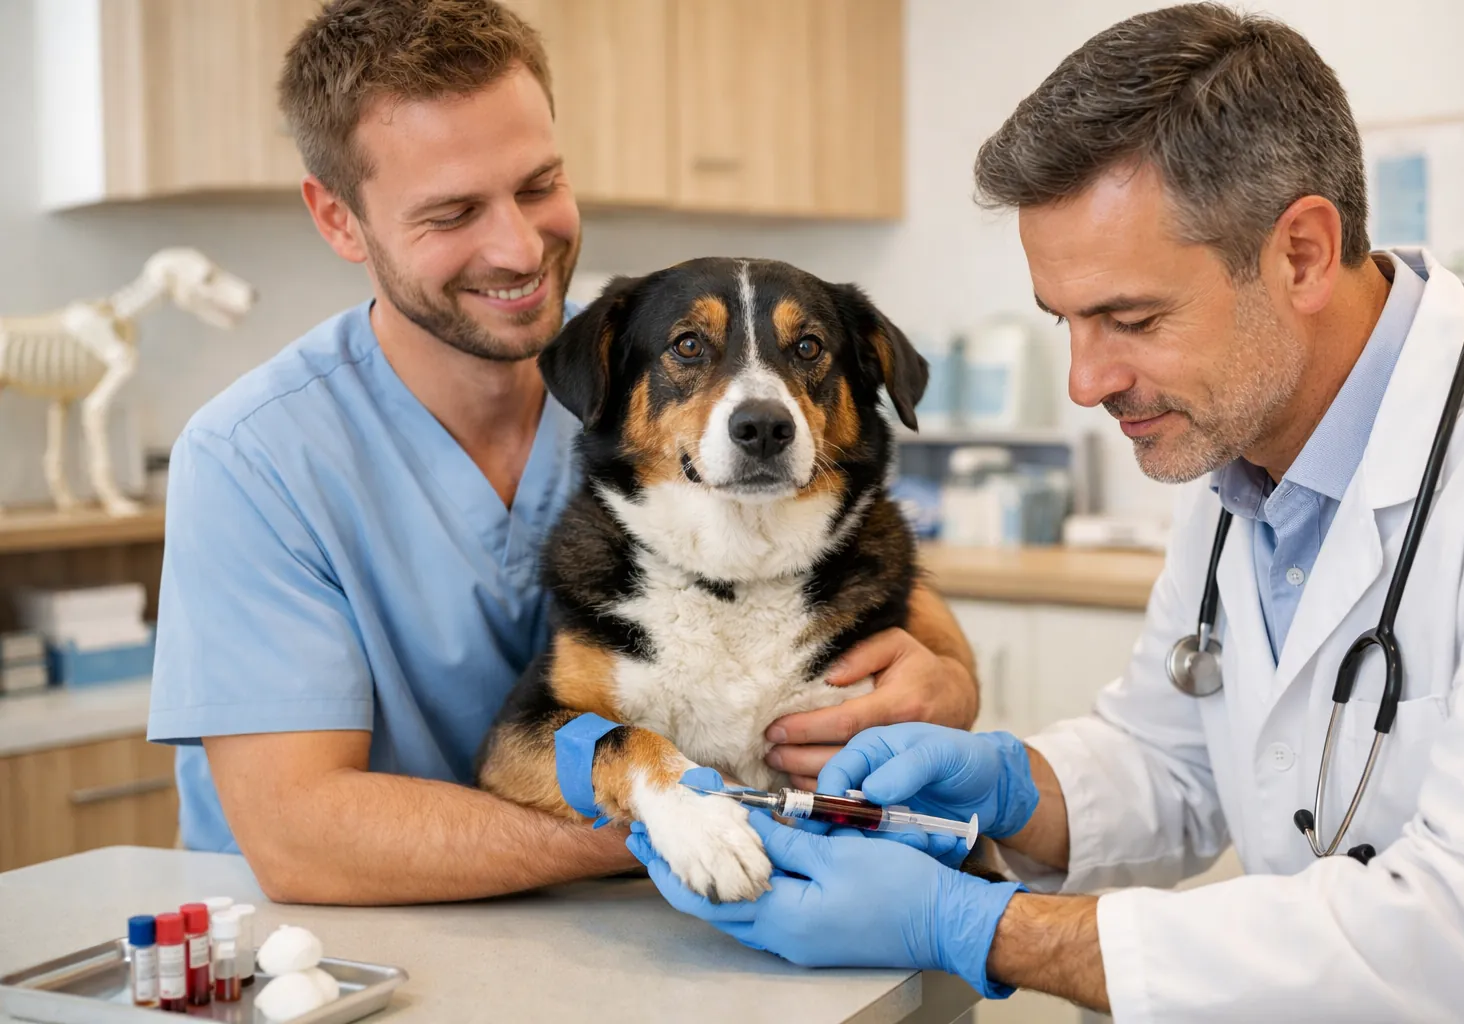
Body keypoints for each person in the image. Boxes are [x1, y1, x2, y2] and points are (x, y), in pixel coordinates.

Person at [629, 4, 1464, 1019]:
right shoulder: (1242, 452)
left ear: (1303, 255)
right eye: (1066, 321)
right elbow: (1170, 762)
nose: (1085, 380)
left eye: (1132, 318)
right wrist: (1009, 784)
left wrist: (981, 927)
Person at [146, 0, 979, 905]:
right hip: (344, 946)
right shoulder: (254, 459)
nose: (518, 246)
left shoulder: (643, 368)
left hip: (635, 928)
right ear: (340, 219)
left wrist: (948, 694)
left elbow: (856, 574)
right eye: (453, 211)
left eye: (538, 184)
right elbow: (303, 842)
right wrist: (694, 822)